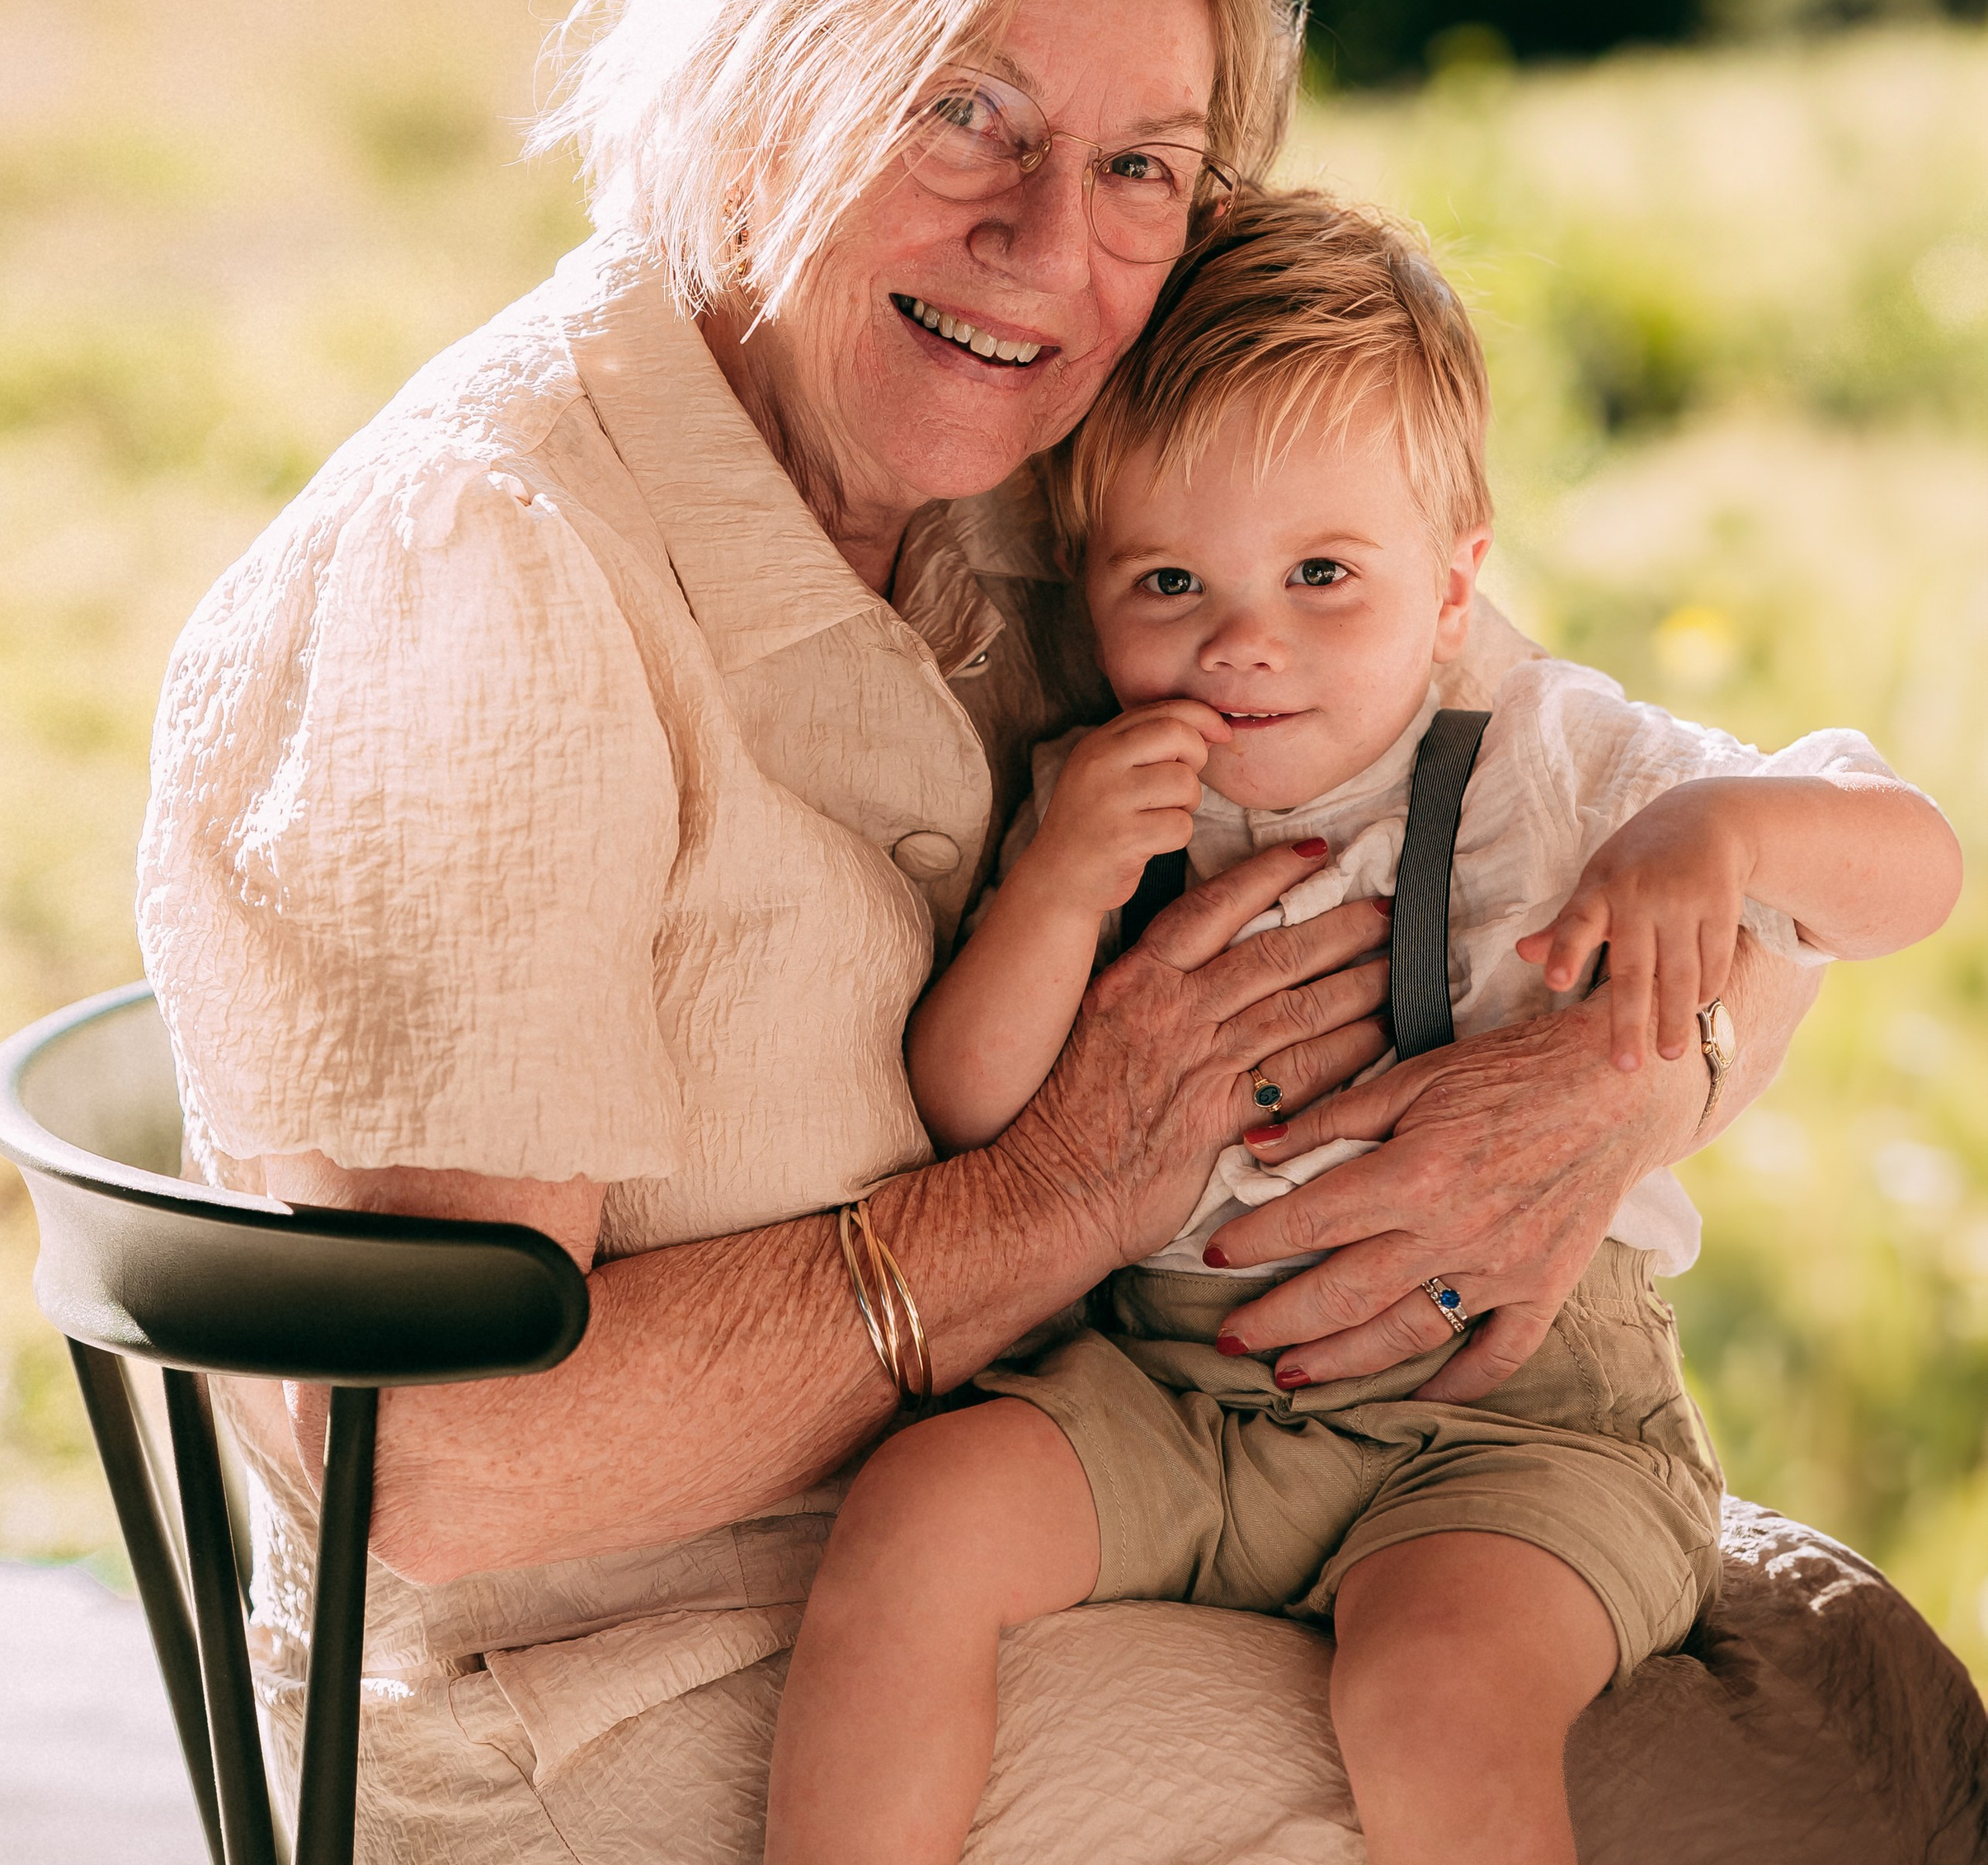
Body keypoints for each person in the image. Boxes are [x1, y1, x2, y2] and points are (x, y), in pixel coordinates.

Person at [135, 0, 1879, 1858]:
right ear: (765, 90)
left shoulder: (1056, 477)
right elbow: (438, 1451)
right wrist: (1046, 1197)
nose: (1046, 245)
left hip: (1115, 1476)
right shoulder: (496, 564)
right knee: (1797, 1779)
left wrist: (1602, 1080)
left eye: (1143, 164)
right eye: (962, 111)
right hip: (630, 1676)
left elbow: (1562, 788)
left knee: (1836, 1660)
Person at [764, 191, 1962, 1865]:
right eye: (1167, 579)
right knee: (919, 1517)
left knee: (1436, 1694)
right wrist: (1053, 885)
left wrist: (1737, 835)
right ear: (1089, 585)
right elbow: (972, 1102)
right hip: (1177, 1383)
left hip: (1509, 1420)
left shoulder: (1552, 754)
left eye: (1322, 574)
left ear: (1455, 578)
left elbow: (1916, 866)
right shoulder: (1100, 794)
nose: (1240, 638)